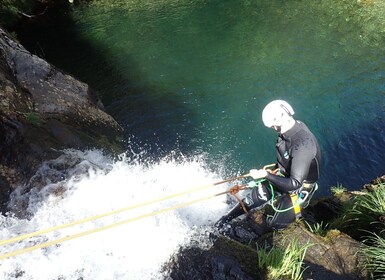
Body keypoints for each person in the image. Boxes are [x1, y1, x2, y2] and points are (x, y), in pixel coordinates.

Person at [216, 100, 321, 230]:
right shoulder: (290, 130)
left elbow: (295, 183)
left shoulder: (303, 144)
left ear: (278, 123)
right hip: (285, 175)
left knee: (276, 226)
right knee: (251, 200)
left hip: (298, 187)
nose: (273, 129)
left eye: (273, 126)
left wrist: (266, 175)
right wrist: (273, 171)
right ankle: (222, 222)